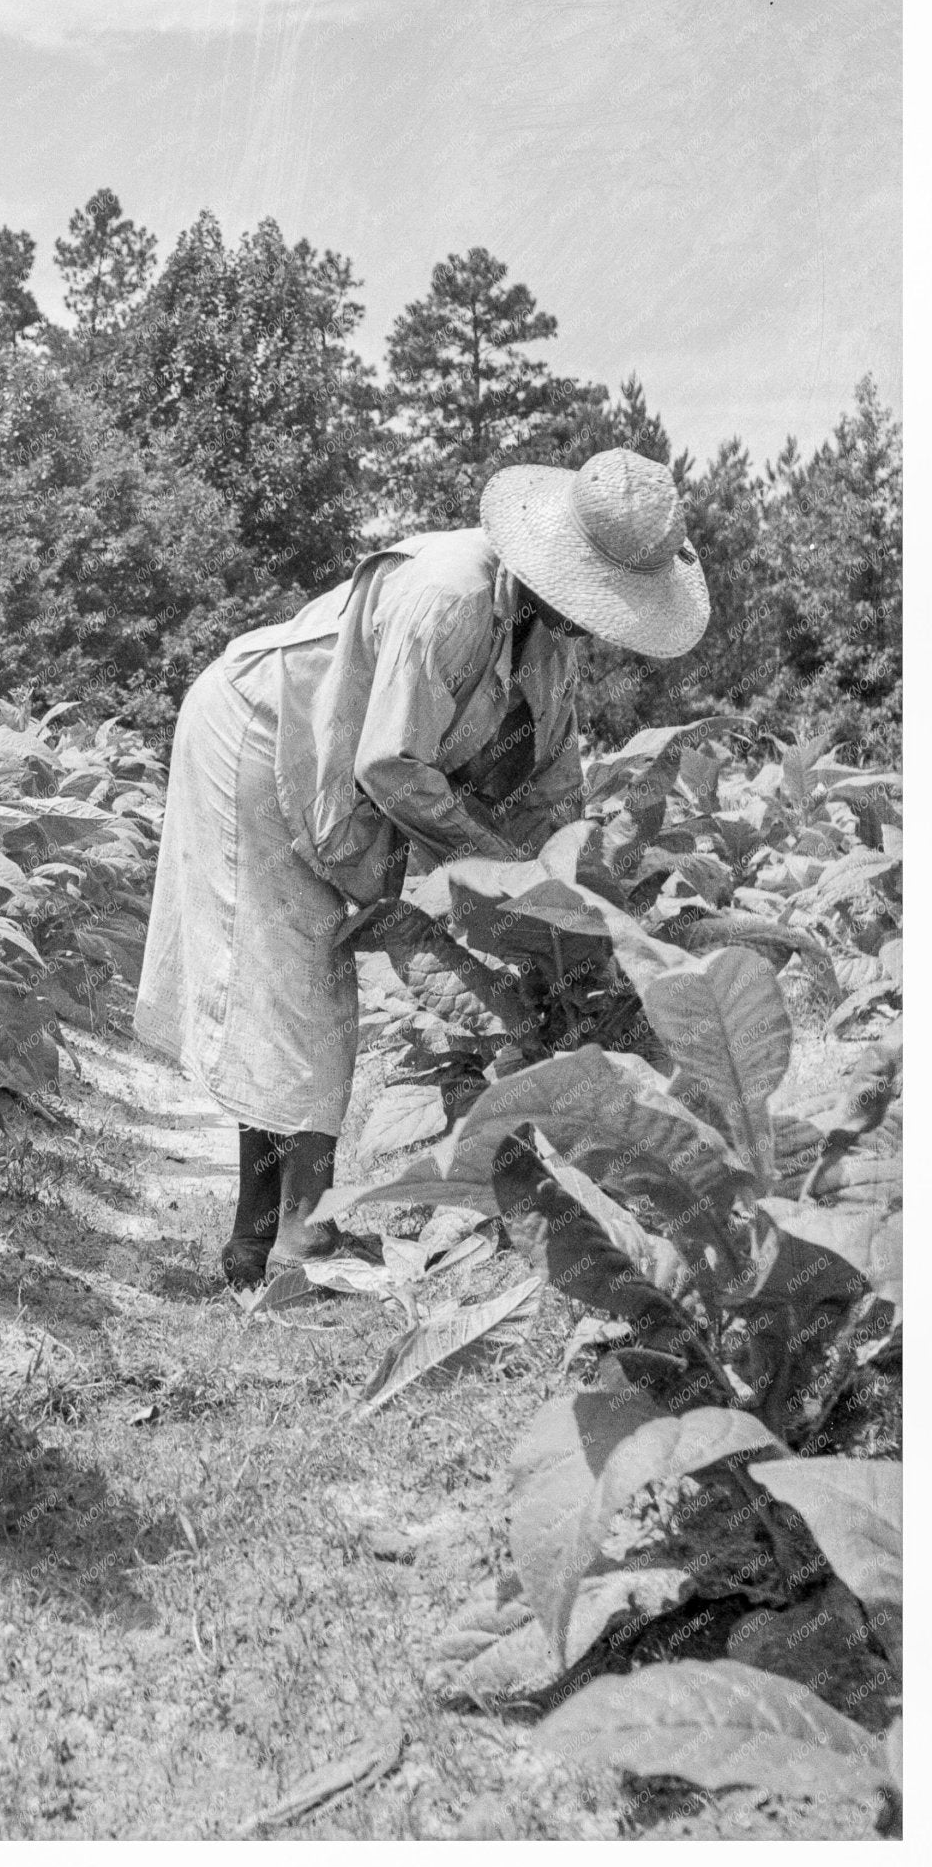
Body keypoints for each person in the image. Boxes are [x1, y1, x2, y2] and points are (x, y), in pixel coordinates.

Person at [135, 448, 711, 1290]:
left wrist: (584, 906)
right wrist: (506, 869)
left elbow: (553, 788)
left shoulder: (550, 641)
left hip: (338, 765)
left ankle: (252, 1244)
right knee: (300, 983)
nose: (603, 621)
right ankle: (301, 1240)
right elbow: (393, 766)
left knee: (295, 990)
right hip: (260, 733)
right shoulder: (450, 597)